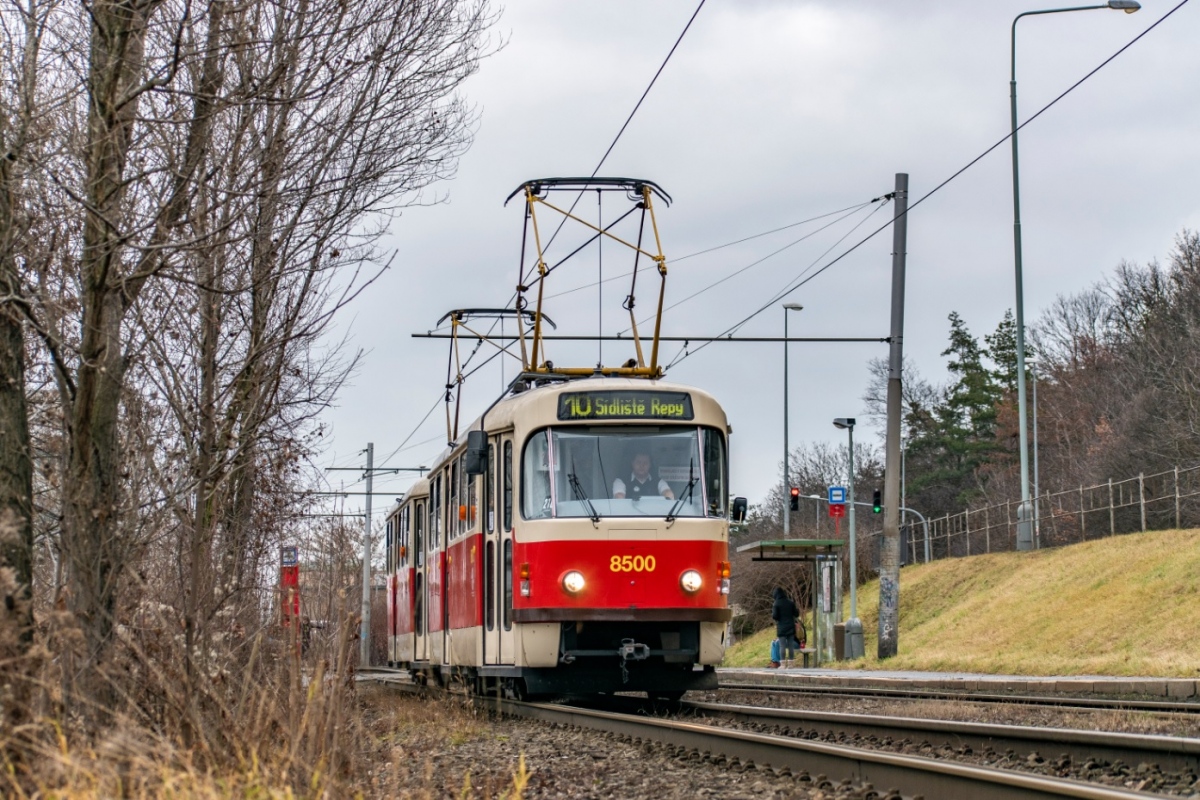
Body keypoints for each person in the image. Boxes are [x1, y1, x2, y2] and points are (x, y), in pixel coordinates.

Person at [771, 587, 799, 668]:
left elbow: (775, 616)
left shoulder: (776, 603)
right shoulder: (790, 602)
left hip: (782, 627)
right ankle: (791, 664)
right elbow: (796, 614)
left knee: (782, 645)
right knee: (790, 645)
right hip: (791, 626)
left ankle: (782, 664)